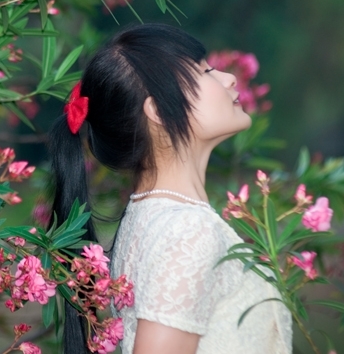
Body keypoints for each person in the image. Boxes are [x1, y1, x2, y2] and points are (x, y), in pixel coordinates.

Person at [47, 24, 292, 354]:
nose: (229, 79)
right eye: (206, 72)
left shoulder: (154, 220)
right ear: (159, 111)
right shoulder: (187, 231)